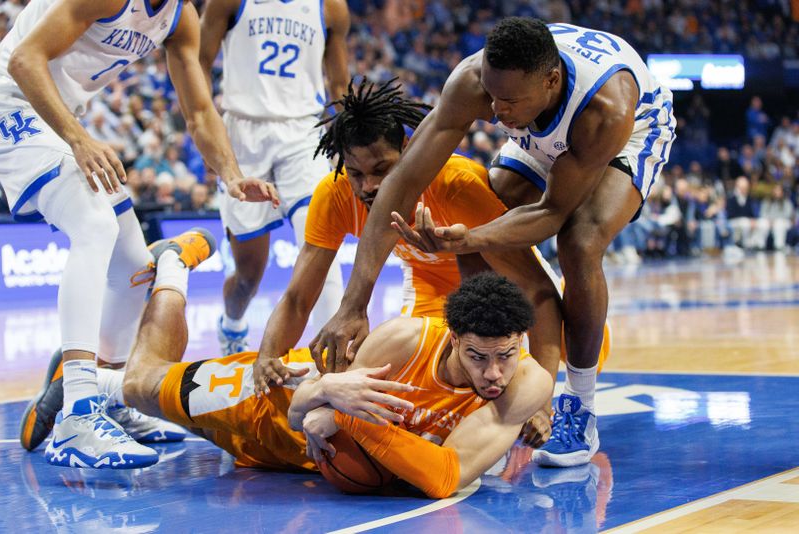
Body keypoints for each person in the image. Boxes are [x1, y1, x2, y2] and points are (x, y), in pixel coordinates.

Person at [313, 18, 675, 467]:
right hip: (543, 125)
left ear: (551, 81)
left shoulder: (607, 109)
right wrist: (354, 303)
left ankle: (580, 407)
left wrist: (468, 240)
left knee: (579, 242)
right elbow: (402, 182)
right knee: (489, 197)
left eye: (509, 101)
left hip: (630, 132)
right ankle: (528, 323)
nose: (497, 111)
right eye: (493, 97)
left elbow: (551, 214)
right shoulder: (474, 83)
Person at [253, 77, 611, 447]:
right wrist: (268, 355)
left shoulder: (456, 184)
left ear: (409, 151)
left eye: (381, 169)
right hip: (429, 286)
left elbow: (535, 293)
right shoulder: (334, 194)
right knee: (416, 376)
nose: (368, 186)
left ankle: (582, 327)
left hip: (501, 284)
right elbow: (299, 296)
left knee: (562, 351)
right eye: (356, 173)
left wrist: (540, 402)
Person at [5, 0, 277, 468]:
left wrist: (231, 175)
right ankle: (78, 414)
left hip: (55, 117)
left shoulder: (179, 17)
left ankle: (106, 397)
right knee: (94, 223)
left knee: (133, 265)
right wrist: (79, 139)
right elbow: (23, 59)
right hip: (12, 102)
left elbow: (198, 112)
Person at [110, 237, 552, 496]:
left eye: (505, 356)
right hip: (274, 399)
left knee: (201, 429)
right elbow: (303, 408)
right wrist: (320, 401)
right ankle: (172, 266)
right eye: (478, 357)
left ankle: (88, 385)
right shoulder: (406, 341)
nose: (494, 374)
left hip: (300, 465)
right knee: (141, 385)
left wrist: (343, 417)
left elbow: (444, 476)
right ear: (454, 339)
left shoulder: (528, 383)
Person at [199, 0, 350, 355]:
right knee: (248, 275)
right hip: (243, 134)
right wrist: (209, 137)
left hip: (304, 133)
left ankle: (332, 361)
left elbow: (339, 83)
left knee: (320, 242)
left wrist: (348, 139)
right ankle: (233, 324)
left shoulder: (331, 7)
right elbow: (198, 61)